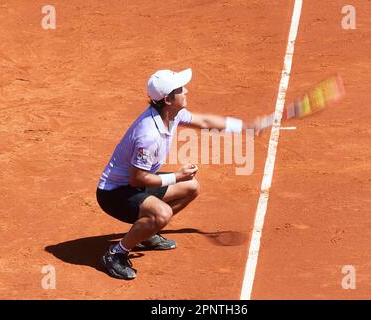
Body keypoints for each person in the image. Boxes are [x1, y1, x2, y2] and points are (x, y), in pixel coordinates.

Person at [96, 68, 265, 280]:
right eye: (180, 89)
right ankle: (115, 254)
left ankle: (145, 233)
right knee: (162, 213)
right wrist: (177, 176)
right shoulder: (148, 135)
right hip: (114, 194)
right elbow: (137, 178)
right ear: (167, 99)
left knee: (191, 187)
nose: (186, 90)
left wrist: (245, 126)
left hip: (134, 186)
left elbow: (204, 122)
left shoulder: (171, 114)